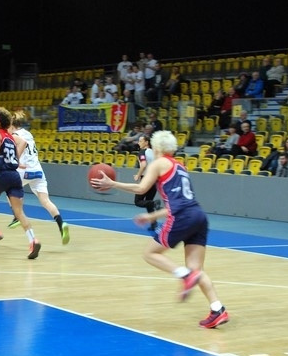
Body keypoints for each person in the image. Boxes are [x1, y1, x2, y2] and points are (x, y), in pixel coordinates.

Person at [89, 130, 229, 329]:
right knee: (196, 269)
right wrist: (152, 216)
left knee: (150, 253)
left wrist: (112, 183)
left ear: (156, 148)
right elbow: (178, 203)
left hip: (182, 217)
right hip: (198, 215)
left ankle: (184, 275)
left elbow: (141, 189)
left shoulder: (159, 163)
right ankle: (218, 309)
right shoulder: (180, 166)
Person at [0, 107, 41, 259]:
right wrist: (17, 160)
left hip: (1, 174)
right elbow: (24, 143)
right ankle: (33, 240)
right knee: (19, 212)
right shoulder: (12, 137)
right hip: (14, 176)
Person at [6, 110, 70, 244]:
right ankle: (61, 224)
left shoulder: (14, 135)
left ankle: (17, 216)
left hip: (24, 169)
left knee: (9, 189)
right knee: (46, 201)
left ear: (12, 125)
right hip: (38, 170)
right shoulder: (29, 133)